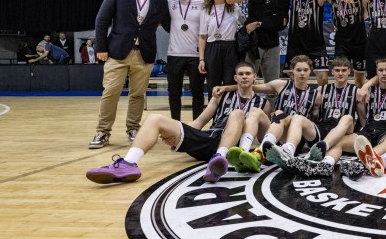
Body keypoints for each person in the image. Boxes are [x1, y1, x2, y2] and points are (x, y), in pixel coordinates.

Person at [85, 62, 264, 184]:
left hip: (230, 147)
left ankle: (219, 159)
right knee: (154, 118)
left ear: (255, 77)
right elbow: (199, 122)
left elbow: (261, 134)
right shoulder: (221, 95)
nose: (244, 77)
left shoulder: (262, 103)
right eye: (241, 74)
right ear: (235, 77)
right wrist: (177, 136)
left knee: (237, 113)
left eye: (248, 74)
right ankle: (128, 164)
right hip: (207, 139)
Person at [89, 0, 170, 149]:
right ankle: (102, 131)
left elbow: (170, 26)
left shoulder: (160, 1)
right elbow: (102, 20)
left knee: (138, 95)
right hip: (117, 53)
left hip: (144, 54)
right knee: (110, 92)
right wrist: (101, 47)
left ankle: (133, 129)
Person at [280, 56, 367, 179]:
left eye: (343, 70)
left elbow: (362, 119)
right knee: (298, 118)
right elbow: (313, 114)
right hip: (324, 129)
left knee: (347, 117)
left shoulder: (356, 92)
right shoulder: (321, 90)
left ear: (349, 71)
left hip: (344, 130)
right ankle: (289, 151)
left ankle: (322, 147)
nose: (340, 73)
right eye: (337, 70)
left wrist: (356, 134)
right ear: (332, 72)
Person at [231, 0, 291, 99]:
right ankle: (245, 109)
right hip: (254, 42)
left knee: (273, 84)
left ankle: (272, 112)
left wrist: (259, 23)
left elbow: (281, 23)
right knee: (246, 81)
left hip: (273, 43)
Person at [166, 0, 206, 121]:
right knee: (174, 93)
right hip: (174, 54)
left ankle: (197, 126)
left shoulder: (201, 3)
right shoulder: (169, 3)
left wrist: (202, 57)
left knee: (198, 93)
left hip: (196, 55)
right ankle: (175, 126)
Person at [320, 0, 366, 86]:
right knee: (340, 75)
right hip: (342, 41)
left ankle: (358, 97)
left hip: (359, 40)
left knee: (359, 79)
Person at [199, 0, 241, 96]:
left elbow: (244, 22)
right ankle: (213, 108)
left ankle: (229, 107)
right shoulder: (206, 9)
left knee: (230, 82)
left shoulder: (234, 7)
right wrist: (201, 59)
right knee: (213, 83)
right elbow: (202, 37)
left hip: (231, 47)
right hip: (212, 48)